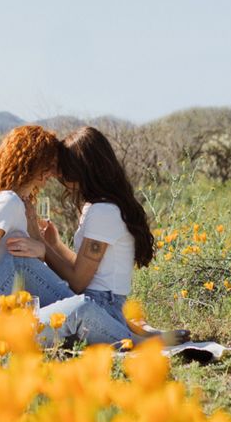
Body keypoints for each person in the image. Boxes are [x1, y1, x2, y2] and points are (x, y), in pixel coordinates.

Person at [0, 124, 136, 344]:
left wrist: (45, 245)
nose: (54, 173)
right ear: (31, 161)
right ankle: (134, 339)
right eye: (48, 164)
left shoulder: (22, 205)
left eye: (54, 165)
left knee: (75, 305)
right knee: (23, 265)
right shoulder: (8, 202)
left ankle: (126, 333)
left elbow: (57, 273)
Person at [37, 125, 186, 345]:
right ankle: (139, 334)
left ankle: (137, 339)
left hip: (101, 306)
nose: (59, 176)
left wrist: (44, 249)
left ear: (83, 170)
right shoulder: (96, 207)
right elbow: (84, 268)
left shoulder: (104, 212)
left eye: (64, 169)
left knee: (47, 315)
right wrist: (55, 244)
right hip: (99, 301)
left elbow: (78, 281)